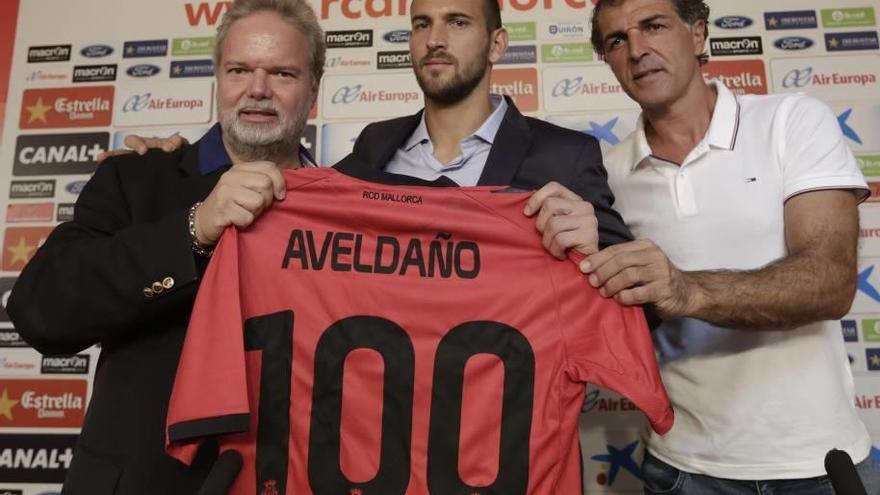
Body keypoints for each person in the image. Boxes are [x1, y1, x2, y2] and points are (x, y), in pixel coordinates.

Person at [8, 0, 324, 492]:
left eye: (283, 73)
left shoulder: (342, 204)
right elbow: (41, 311)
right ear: (218, 78)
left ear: (314, 91)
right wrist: (193, 228)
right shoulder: (136, 177)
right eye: (239, 69)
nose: (258, 90)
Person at [587, 0, 880, 492]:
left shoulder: (791, 121)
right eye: (617, 40)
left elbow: (829, 282)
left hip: (815, 466)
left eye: (653, 26)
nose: (637, 50)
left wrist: (687, 290)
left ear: (698, 34)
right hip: (682, 470)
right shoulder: (605, 176)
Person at [125, 0, 631, 257]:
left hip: (506, 422)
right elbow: (298, 211)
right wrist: (172, 161)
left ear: (497, 44)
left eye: (457, 22)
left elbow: (635, 299)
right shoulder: (372, 146)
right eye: (420, 24)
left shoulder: (568, 153)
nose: (435, 39)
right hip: (380, 421)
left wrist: (597, 249)